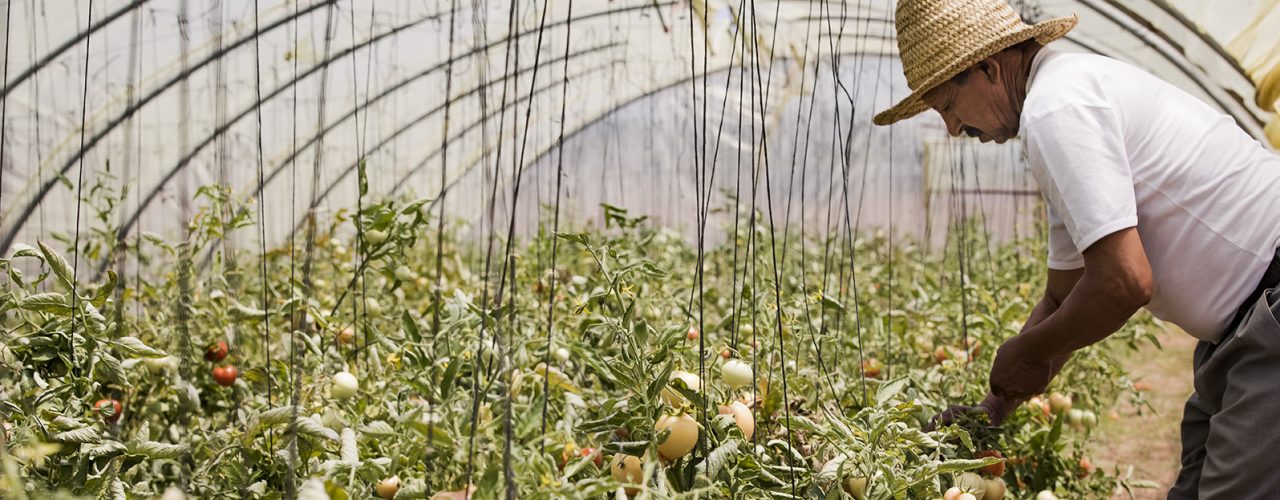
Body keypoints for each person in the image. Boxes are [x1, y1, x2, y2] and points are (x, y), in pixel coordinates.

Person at [873, 0, 1280, 497]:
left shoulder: (1057, 109)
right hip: (1242, 329)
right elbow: (1065, 295)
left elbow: (1124, 284)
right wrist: (990, 413)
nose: (953, 130)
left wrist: (1026, 350)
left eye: (947, 108)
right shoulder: (1061, 99)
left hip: (1268, 316)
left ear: (987, 68)